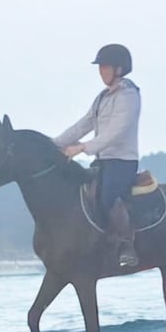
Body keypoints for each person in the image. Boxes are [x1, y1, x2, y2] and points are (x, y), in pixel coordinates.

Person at [54, 43, 141, 267]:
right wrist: (54, 144)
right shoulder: (102, 97)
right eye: (100, 67)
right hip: (102, 160)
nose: (101, 72)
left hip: (123, 161)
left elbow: (116, 131)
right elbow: (84, 124)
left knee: (108, 196)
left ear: (119, 69)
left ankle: (126, 246)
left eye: (105, 67)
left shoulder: (129, 95)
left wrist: (82, 148)